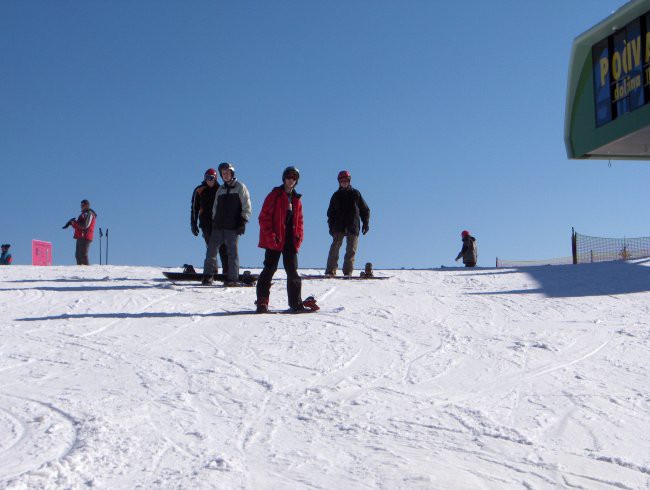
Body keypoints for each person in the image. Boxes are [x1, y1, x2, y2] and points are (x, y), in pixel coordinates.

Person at [255, 166, 317, 313]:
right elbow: (263, 217)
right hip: (275, 240)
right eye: (289, 177)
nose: (291, 180)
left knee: (292, 271)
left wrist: (298, 238)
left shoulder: (297, 200)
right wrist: (271, 236)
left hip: (290, 240)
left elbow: (300, 222)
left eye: (294, 178)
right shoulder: (274, 195)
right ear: (284, 178)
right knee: (269, 269)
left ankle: (296, 303)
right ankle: (262, 302)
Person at [202, 162, 252, 285]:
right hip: (218, 227)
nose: (225, 175)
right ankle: (208, 276)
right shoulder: (221, 189)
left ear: (232, 173)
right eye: (223, 173)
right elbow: (215, 208)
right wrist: (214, 222)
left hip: (232, 227)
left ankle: (232, 278)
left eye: (227, 173)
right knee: (211, 251)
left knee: (232, 253)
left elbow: (247, 205)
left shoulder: (240, 187)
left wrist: (243, 221)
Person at [325, 170, 370, 276]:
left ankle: (348, 272)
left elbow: (365, 210)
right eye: (342, 181)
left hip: (352, 226)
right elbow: (330, 213)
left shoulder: (355, 194)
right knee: (335, 248)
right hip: (338, 226)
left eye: (346, 180)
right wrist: (331, 227)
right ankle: (331, 270)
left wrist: (366, 223)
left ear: (349, 181)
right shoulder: (335, 196)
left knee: (351, 250)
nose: (344, 182)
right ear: (339, 182)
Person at [191, 168, 228, 274]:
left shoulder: (221, 189)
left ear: (215, 178)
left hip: (220, 223)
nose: (209, 180)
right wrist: (193, 224)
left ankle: (227, 271)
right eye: (207, 178)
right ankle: (212, 271)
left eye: (212, 178)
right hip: (206, 223)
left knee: (223, 247)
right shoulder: (199, 190)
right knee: (211, 247)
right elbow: (194, 209)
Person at [65, 199, 97, 265]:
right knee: (78, 255)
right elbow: (79, 226)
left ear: (87, 205)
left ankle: (87, 271)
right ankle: (80, 270)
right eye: (81, 205)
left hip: (85, 236)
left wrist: (75, 224)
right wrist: (73, 223)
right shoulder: (83, 214)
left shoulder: (89, 214)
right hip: (80, 236)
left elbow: (85, 225)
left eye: (83, 205)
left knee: (83, 255)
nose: (81, 206)